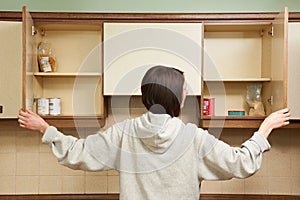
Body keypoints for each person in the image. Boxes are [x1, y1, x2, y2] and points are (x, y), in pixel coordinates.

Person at [18, 65, 291, 200]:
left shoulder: (124, 133)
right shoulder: (192, 137)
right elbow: (240, 162)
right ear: (176, 99)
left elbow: (78, 152)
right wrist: (264, 128)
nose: (185, 98)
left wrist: (46, 128)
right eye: (184, 93)